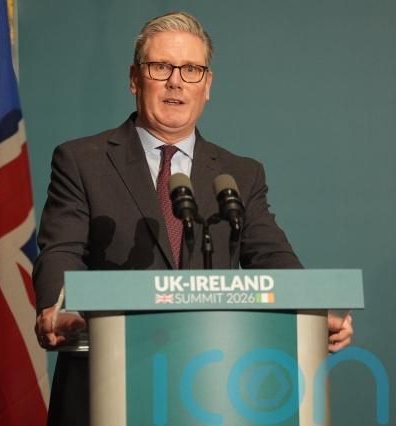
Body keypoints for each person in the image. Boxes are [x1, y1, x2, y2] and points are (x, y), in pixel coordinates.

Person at [32, 11, 353, 425]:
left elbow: (273, 257)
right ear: (134, 78)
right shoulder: (82, 160)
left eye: (191, 70)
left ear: (207, 85)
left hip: (212, 388)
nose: (176, 82)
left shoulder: (239, 175)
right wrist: (56, 307)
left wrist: (313, 312)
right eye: (161, 66)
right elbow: (62, 250)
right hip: (108, 384)